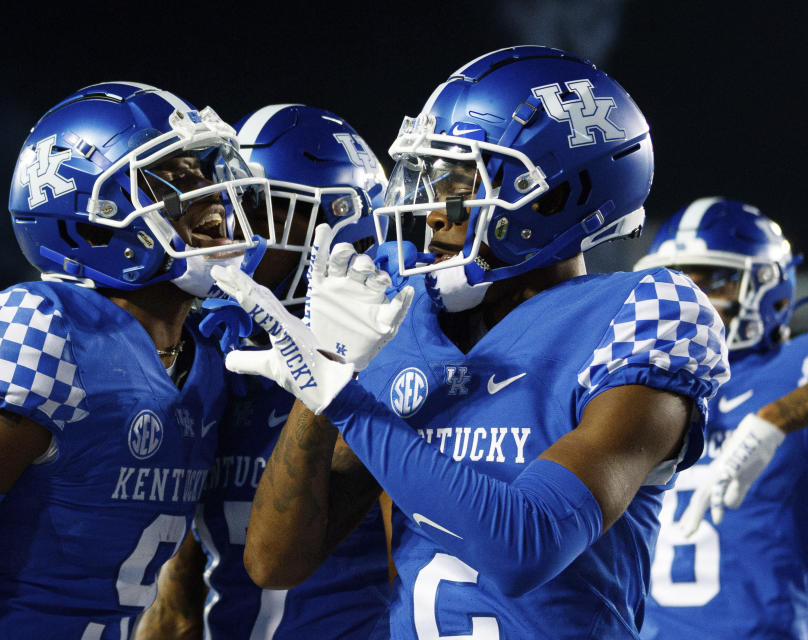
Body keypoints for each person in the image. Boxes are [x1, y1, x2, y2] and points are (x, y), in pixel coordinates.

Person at [209, 45, 731, 639]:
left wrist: (348, 404)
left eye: (459, 181)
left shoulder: (641, 314)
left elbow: (524, 547)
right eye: (429, 178)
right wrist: (322, 379)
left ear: (555, 194)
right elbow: (276, 563)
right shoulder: (409, 319)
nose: (433, 212)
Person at [0, 81, 271, 639]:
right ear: (91, 215)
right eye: (174, 180)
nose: (213, 198)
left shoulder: (208, 359)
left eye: (204, 174)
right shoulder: (42, 330)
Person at [133, 104, 391, 639]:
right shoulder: (211, 358)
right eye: (226, 203)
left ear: (338, 228)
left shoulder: (392, 369)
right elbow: (180, 599)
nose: (231, 228)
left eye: (256, 206)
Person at [634, 197, 808, 639]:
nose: (691, 303)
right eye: (676, 284)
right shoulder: (637, 386)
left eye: (713, 281)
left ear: (773, 291)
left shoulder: (791, 367)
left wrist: (777, 417)